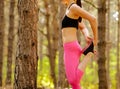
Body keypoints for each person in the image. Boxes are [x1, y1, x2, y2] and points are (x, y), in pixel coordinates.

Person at [61, 0, 98, 89]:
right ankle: (89, 53)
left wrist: (95, 40)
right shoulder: (69, 9)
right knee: (74, 83)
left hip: (71, 48)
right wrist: (86, 35)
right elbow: (83, 26)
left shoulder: (74, 8)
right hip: (69, 48)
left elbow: (93, 19)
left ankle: (89, 54)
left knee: (73, 81)